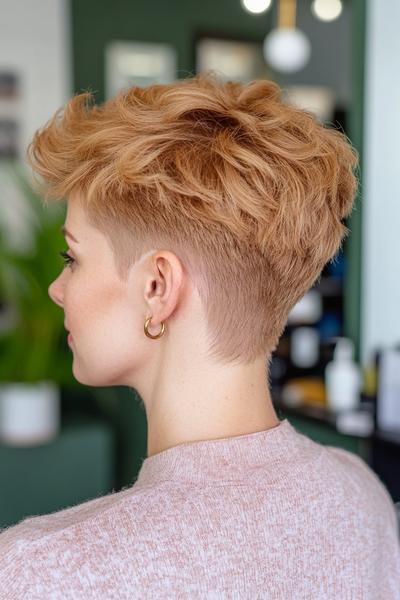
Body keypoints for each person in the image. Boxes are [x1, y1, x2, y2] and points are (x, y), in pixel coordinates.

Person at [0, 72, 399, 599]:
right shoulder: (361, 494)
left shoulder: (42, 575)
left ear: (158, 287)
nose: (56, 289)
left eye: (72, 258)